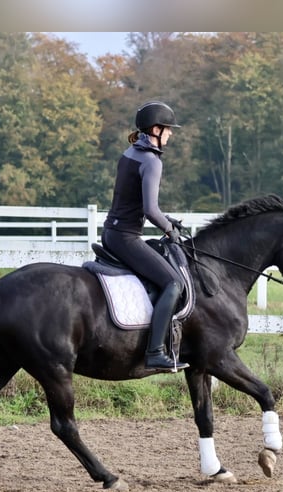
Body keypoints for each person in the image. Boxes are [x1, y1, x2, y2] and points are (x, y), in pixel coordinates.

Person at [101, 101, 189, 373]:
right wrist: (169, 231)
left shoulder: (131, 152)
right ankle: (155, 352)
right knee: (173, 283)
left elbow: (136, 203)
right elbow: (150, 210)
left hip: (112, 232)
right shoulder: (151, 161)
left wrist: (169, 220)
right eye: (168, 129)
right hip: (126, 238)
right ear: (155, 129)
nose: (171, 134)